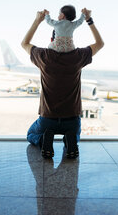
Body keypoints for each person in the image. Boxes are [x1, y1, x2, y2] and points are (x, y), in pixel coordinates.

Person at [21, 8, 104, 159]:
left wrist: (38, 20)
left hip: (48, 118)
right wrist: (89, 20)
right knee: (74, 134)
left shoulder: (43, 56)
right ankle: (70, 140)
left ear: (53, 40)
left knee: (31, 133)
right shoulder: (78, 56)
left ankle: (43, 139)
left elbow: (24, 43)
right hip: (72, 118)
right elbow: (100, 43)